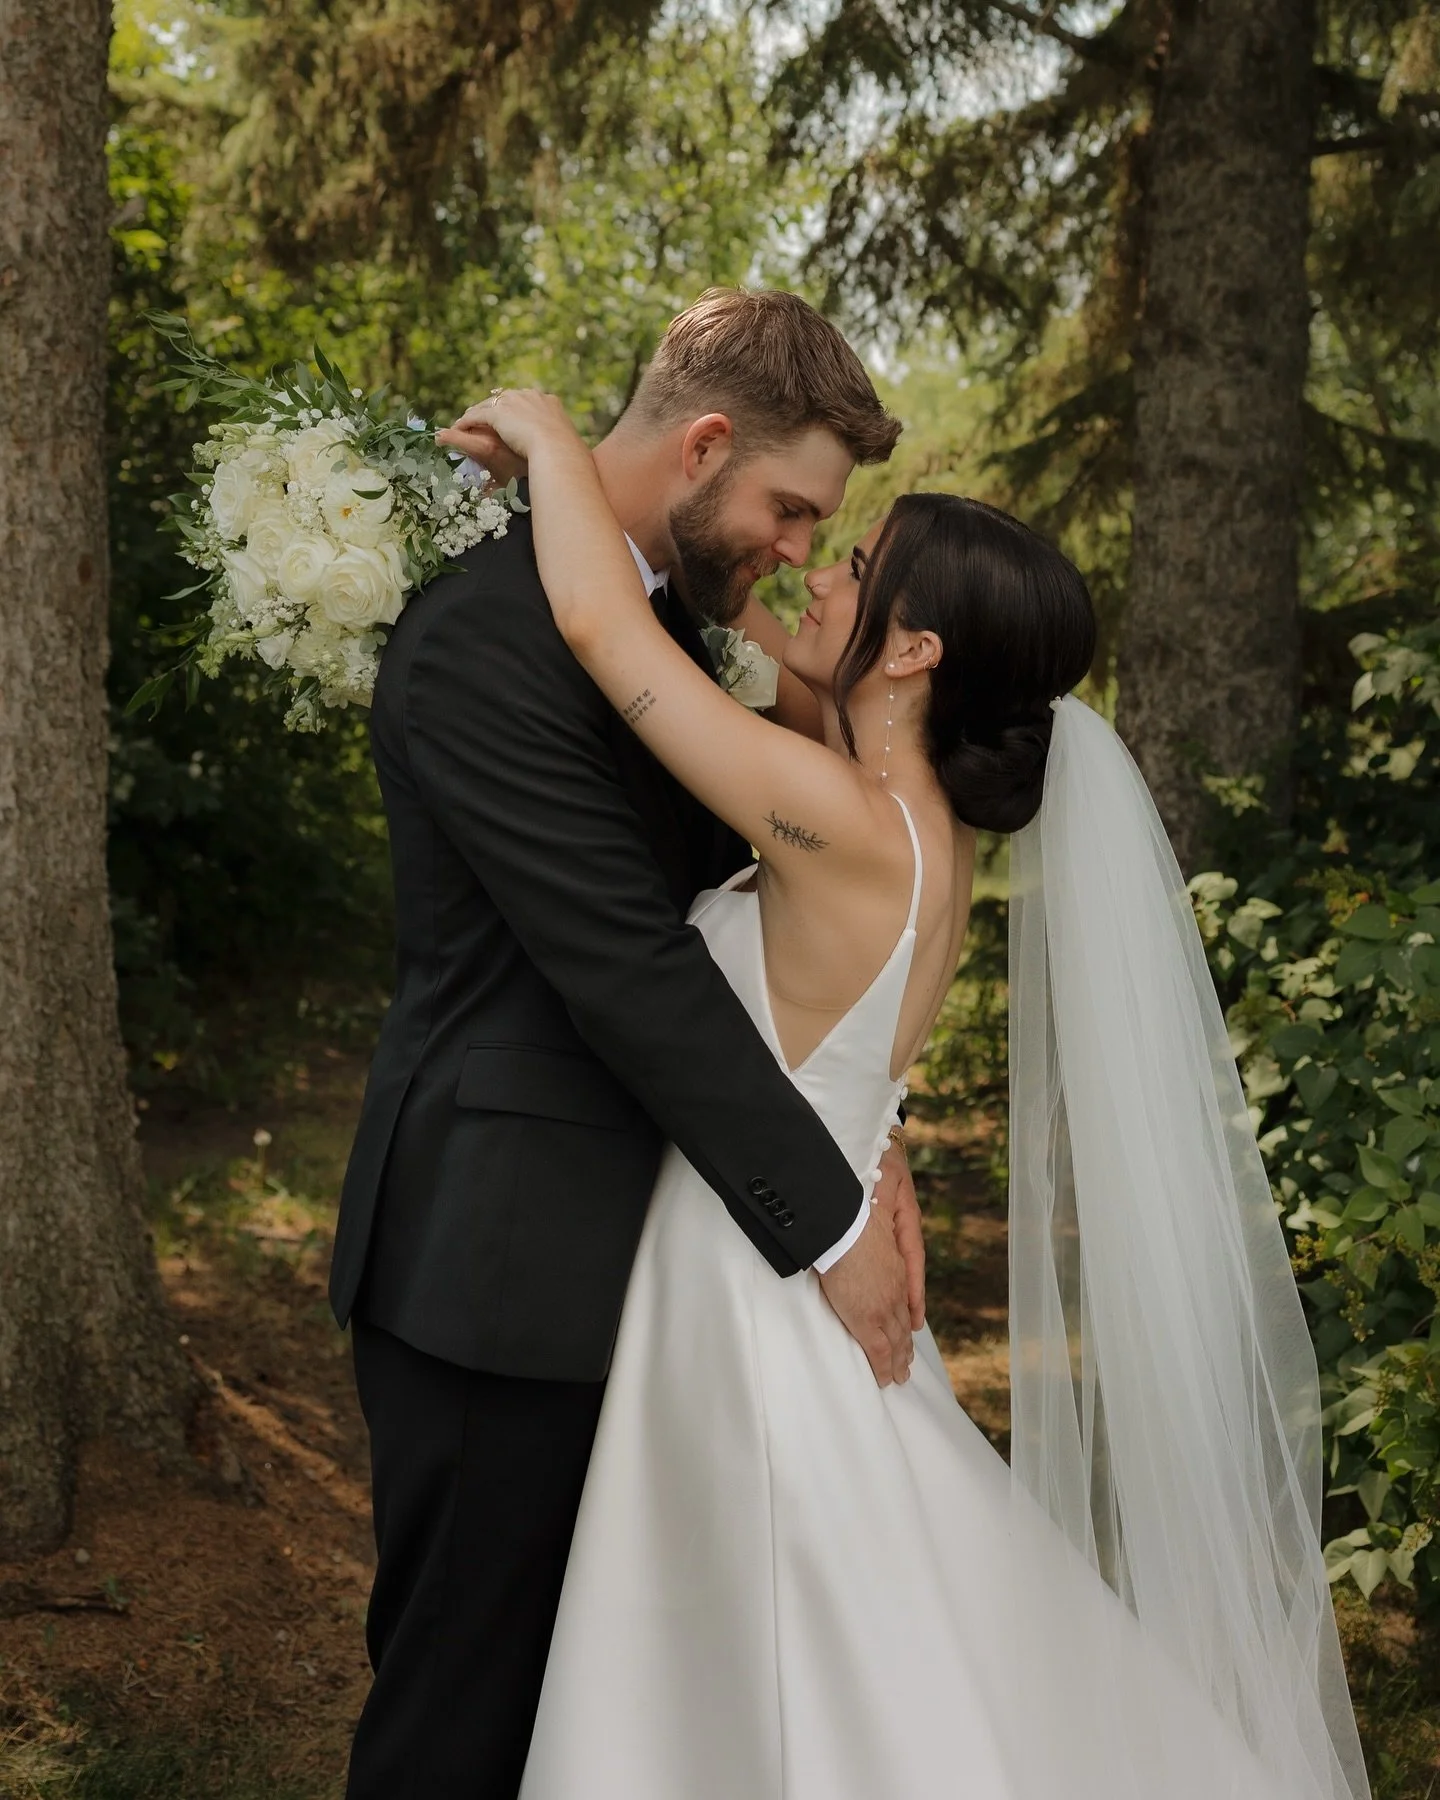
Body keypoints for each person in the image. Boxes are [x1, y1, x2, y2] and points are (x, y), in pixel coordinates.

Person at [460, 386, 1373, 1800]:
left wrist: (548, 443)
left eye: (855, 567)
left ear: (918, 646)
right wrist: (750, 577)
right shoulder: (915, 832)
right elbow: (756, 651)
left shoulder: (835, 822)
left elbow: (601, 628)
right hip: (805, 1248)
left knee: (766, 1647)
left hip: (748, 1292)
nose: (814, 572)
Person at [330, 289, 930, 1800]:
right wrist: (831, 1218)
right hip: (496, 1268)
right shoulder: (488, 633)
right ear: (706, 443)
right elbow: (628, 964)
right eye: (793, 508)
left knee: (584, 1717)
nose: (798, 548)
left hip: (629, 1270)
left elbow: (750, 921)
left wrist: (880, 1131)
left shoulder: (643, 626)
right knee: (461, 1712)